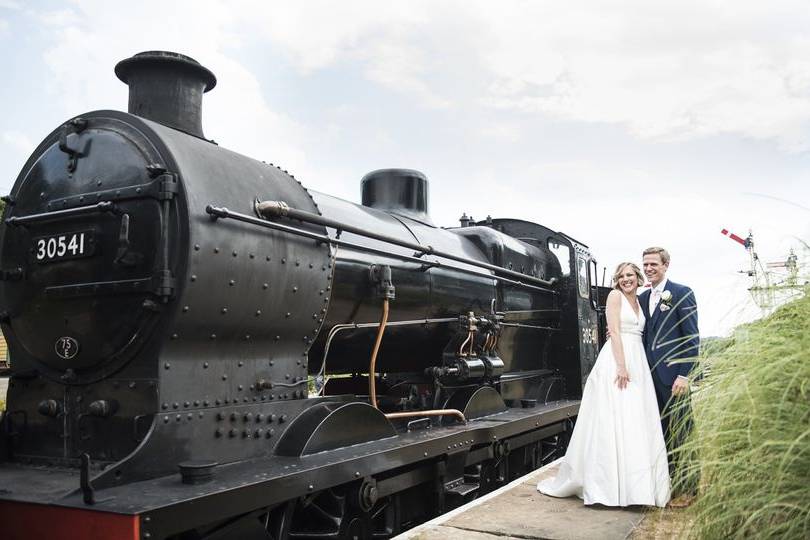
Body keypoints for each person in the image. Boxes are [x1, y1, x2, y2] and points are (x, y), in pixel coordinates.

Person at [537, 262, 670, 507]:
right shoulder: (615, 296)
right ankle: (609, 486)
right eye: (621, 276)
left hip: (638, 359)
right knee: (615, 416)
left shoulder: (640, 300)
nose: (625, 279)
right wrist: (621, 366)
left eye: (630, 275)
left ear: (638, 277)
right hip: (618, 359)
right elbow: (615, 332)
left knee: (636, 419)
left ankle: (637, 488)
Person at [638, 247, 699, 499]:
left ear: (666, 265)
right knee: (660, 433)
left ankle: (689, 488)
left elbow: (692, 338)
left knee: (682, 432)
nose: (649, 269)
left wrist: (685, 375)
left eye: (653, 264)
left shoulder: (682, 293)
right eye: (645, 265)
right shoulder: (642, 298)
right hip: (648, 378)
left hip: (674, 378)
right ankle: (669, 484)